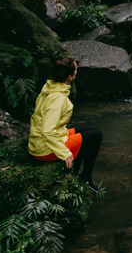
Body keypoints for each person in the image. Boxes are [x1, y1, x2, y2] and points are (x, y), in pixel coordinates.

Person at [28, 58, 102, 192]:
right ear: (70, 77)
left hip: (39, 141)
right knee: (96, 135)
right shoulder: (58, 98)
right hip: (44, 148)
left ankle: (76, 171)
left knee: (91, 130)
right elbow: (47, 130)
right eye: (75, 69)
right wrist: (64, 153)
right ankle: (86, 179)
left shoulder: (48, 89)